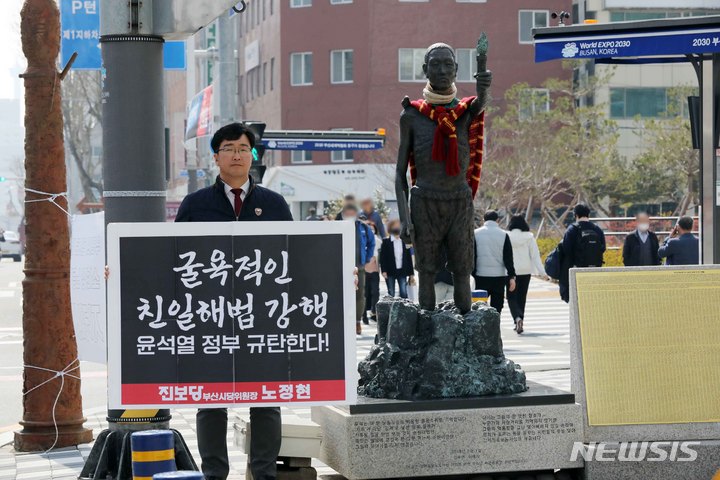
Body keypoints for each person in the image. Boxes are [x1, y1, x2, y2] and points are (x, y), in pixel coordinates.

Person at [175, 122, 291, 480]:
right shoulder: (195, 206)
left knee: (266, 400)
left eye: (243, 148)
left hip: (263, 318)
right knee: (211, 401)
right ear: (216, 157)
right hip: (211, 318)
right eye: (228, 148)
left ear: (252, 155)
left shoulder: (274, 204)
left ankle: (263, 473)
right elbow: (171, 259)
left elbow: (297, 255)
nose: (237, 154)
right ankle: (214, 474)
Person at [395, 41, 492, 313]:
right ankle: (426, 334)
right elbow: (399, 174)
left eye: (447, 64)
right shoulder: (412, 116)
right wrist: (404, 219)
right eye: (435, 64)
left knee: (462, 270)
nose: (441, 70)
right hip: (424, 201)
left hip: (459, 201)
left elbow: (481, 102)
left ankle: (466, 333)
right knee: (426, 271)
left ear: (457, 70)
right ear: (425, 69)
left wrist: (484, 86)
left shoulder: (464, 112)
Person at [506, 215, 546, 334]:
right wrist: (542, 272)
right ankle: (521, 319)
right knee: (522, 296)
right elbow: (535, 255)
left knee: (511, 296)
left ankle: (516, 318)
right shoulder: (529, 237)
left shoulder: (506, 236)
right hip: (525, 270)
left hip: (511, 271)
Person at [559, 204, 606, 303]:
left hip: (576, 268)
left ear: (575, 215)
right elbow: (603, 248)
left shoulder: (572, 229)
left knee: (577, 298)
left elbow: (566, 249)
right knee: (591, 296)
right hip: (594, 269)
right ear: (588, 214)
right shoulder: (597, 229)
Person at [473, 210, 516, 315]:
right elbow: (508, 258)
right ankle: (495, 329)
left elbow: (472, 255)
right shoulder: (504, 235)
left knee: (479, 308)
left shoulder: (475, 233)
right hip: (499, 277)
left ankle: (481, 330)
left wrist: (473, 273)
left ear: (484, 220)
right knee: (497, 309)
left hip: (481, 276)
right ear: (498, 220)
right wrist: (511, 276)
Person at [343, 203, 375, 335]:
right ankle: (344, 322)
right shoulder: (339, 226)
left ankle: (357, 322)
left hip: (359, 266)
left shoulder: (363, 228)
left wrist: (367, 259)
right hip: (343, 266)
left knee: (359, 295)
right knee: (343, 294)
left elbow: (371, 243)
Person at [379, 219, 414, 298]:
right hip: (390, 270)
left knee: (403, 292)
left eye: (399, 226)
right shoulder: (386, 242)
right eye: (395, 226)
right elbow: (383, 258)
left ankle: (405, 308)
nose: (397, 227)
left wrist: (411, 273)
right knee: (391, 292)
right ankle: (390, 309)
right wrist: (383, 271)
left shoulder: (404, 241)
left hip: (402, 270)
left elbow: (408, 258)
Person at [363, 222, 382, 324]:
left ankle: (374, 313)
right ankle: (364, 314)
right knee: (365, 293)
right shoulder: (362, 240)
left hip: (375, 271)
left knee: (375, 292)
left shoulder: (378, 241)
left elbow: (381, 256)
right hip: (364, 271)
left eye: (372, 228)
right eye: (369, 229)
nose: (371, 230)